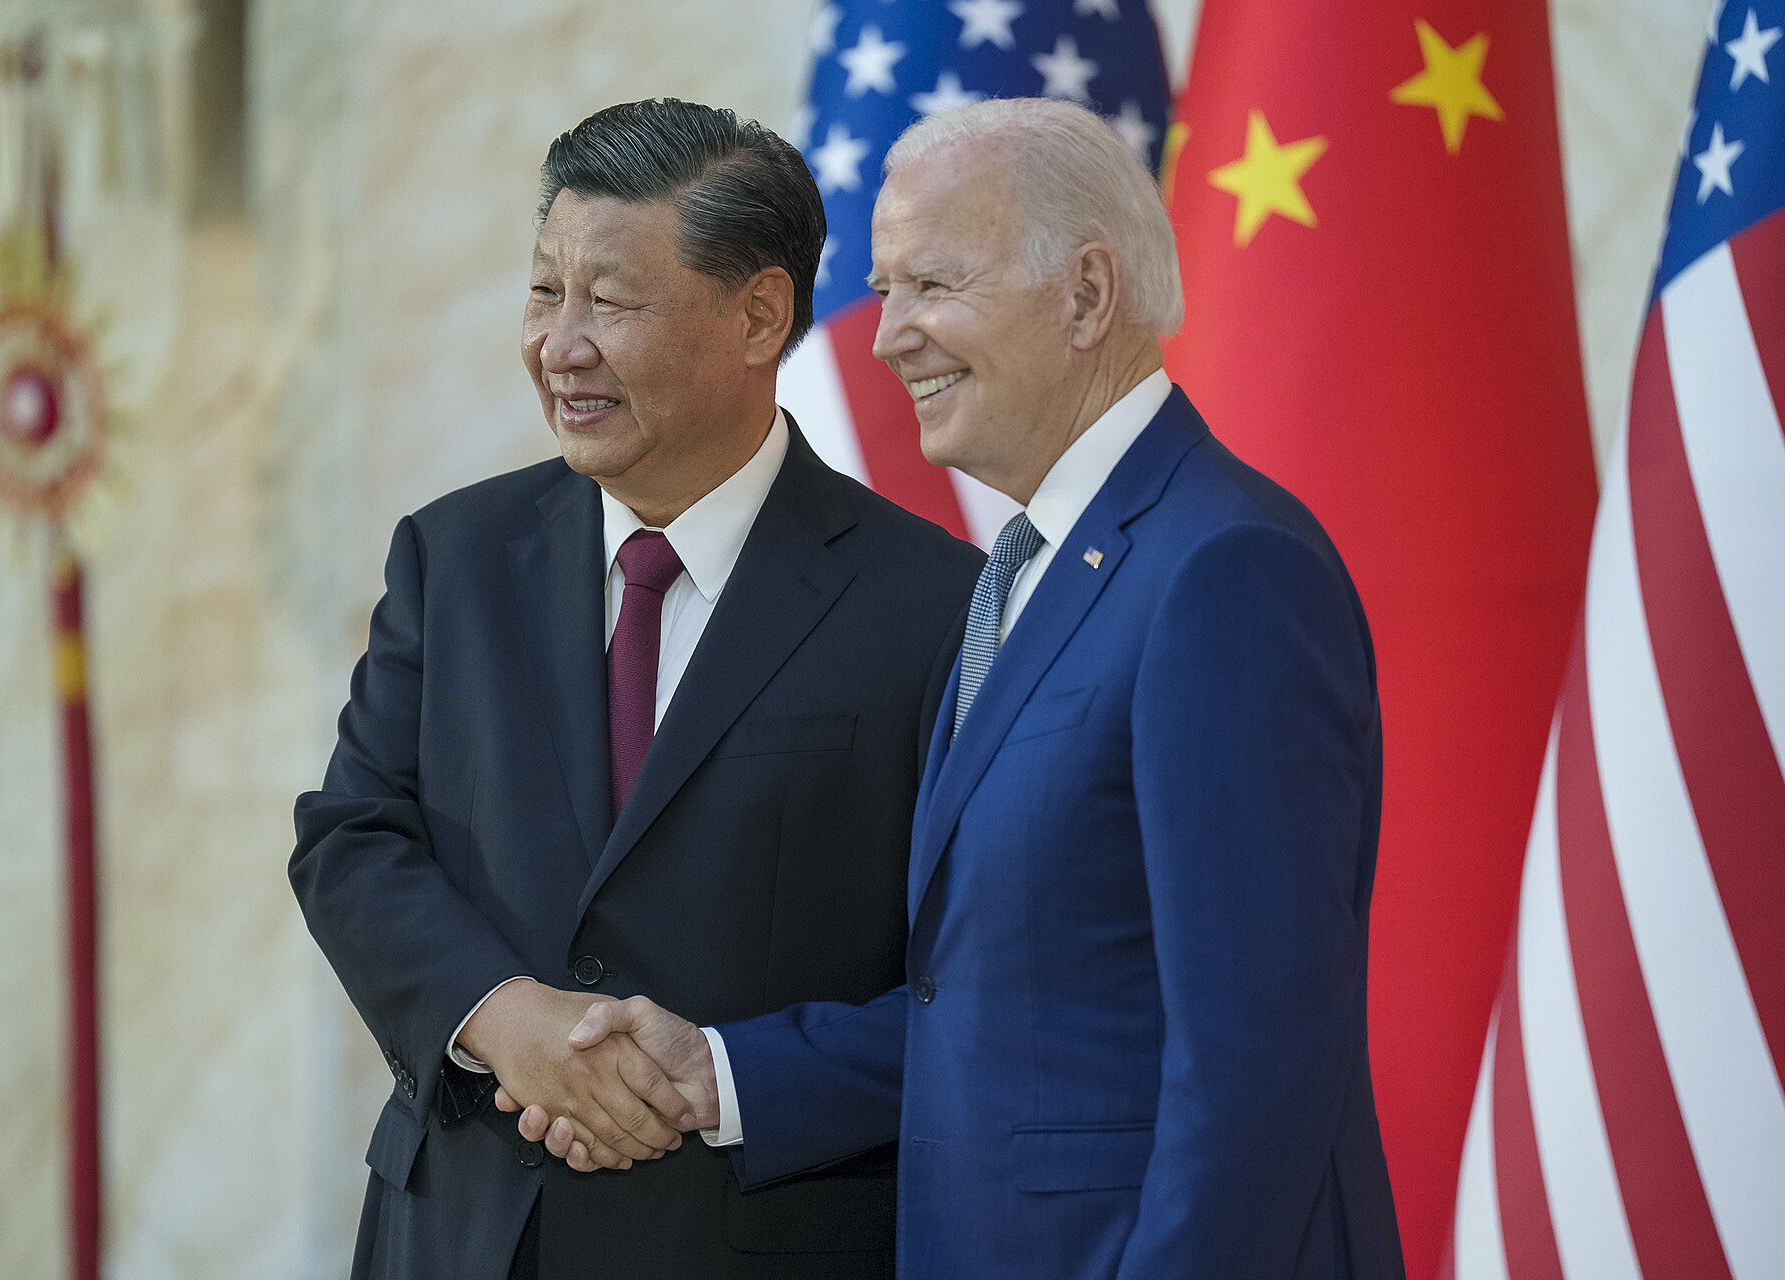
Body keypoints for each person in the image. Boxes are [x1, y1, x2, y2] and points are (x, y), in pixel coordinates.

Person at [528, 98, 1407, 1278]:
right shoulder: (1023, 571)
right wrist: (721, 1073)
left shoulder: (1221, 569)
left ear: (1087, 296)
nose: (887, 337)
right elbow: (999, 1002)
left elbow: (1259, 1065)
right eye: (884, 288)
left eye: (931, 286)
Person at [289, 98, 982, 1280]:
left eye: (608, 301)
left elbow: (978, 985)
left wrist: (716, 1075)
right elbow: (351, 837)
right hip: (455, 1238)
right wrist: (503, 1016)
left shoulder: (937, 606)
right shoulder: (452, 558)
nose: (560, 344)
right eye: (545, 291)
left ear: (759, 314)